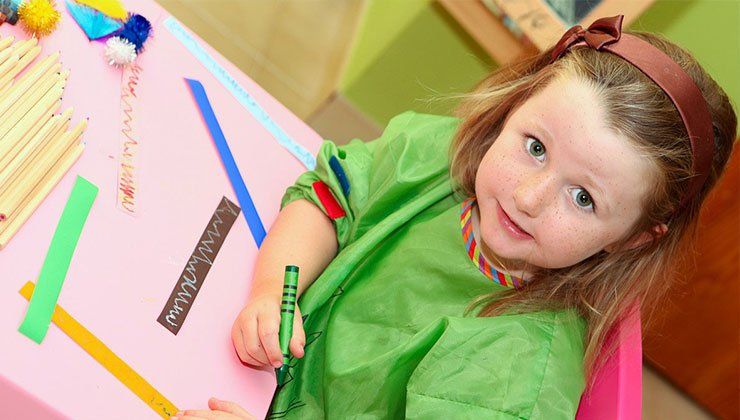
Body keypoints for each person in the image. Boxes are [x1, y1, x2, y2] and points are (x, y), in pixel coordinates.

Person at [172, 15, 737, 420]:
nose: (529, 196)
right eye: (535, 146)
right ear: (513, 106)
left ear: (636, 239)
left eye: (583, 198)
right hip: (233, 363)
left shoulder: (512, 377)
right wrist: (274, 288)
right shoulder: (438, 157)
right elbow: (328, 198)